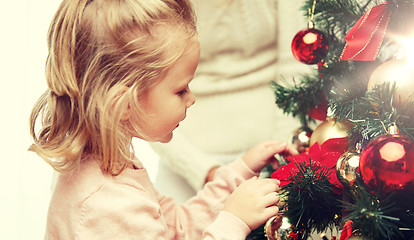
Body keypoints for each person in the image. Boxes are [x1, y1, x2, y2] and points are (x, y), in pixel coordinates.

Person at [29, 0, 298, 239]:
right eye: (180, 90)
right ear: (124, 104)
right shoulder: (106, 204)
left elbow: (177, 228)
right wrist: (233, 222)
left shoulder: (114, 166)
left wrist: (238, 172)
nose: (191, 99)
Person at [150, 0, 309, 197]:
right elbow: (140, 93)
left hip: (273, 151)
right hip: (182, 156)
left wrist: (282, 159)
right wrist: (204, 172)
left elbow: (298, 64)